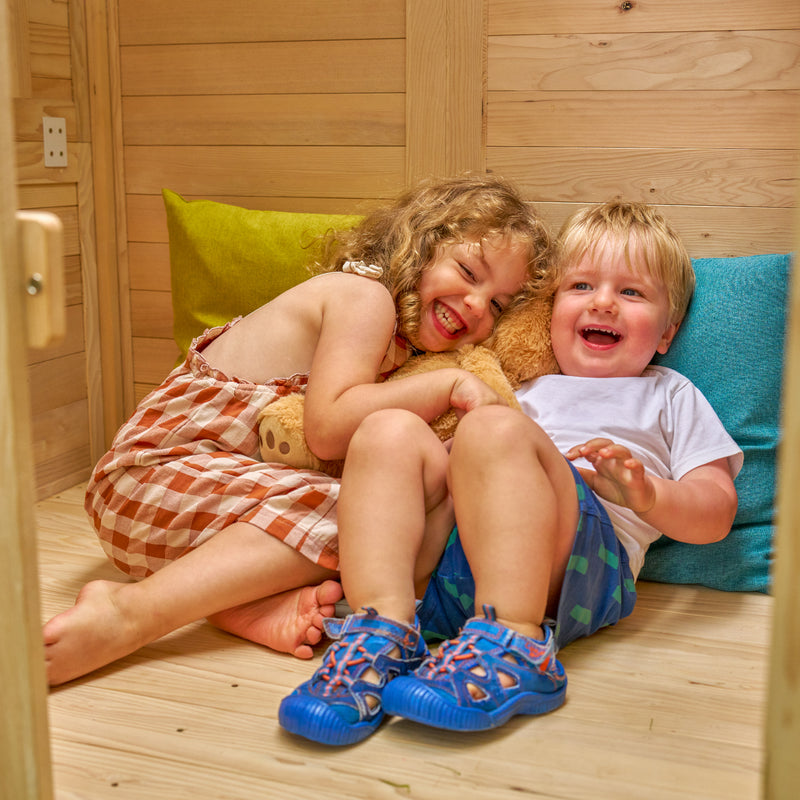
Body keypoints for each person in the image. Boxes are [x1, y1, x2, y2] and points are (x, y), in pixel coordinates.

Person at [43, 174, 553, 687]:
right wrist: (451, 384)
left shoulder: (402, 349)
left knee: (398, 512)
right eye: (467, 271)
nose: (474, 304)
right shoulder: (363, 300)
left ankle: (236, 604)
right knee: (377, 512)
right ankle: (132, 612)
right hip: (149, 479)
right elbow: (328, 429)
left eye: (497, 306)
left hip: (190, 516)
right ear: (418, 246)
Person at [278, 200, 743, 746]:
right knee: (388, 429)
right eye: (581, 287)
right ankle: (383, 629)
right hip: (456, 569)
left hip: (580, 566)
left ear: (667, 333)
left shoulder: (668, 394)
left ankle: (518, 644)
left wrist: (648, 494)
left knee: (491, 429)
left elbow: (716, 511)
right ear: (549, 311)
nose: (603, 303)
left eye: (631, 292)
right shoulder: (522, 386)